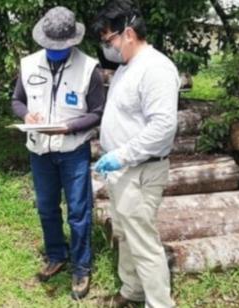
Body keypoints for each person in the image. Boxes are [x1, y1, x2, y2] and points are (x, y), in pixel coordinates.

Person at [11, 6, 106, 300]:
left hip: (73, 150)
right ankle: (56, 254)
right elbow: (16, 100)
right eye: (49, 47)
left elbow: (98, 111)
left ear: (72, 42)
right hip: (39, 151)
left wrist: (70, 127)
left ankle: (81, 266)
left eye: (60, 48)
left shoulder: (89, 68)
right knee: (46, 207)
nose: (54, 51)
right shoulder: (28, 65)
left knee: (79, 211)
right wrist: (27, 115)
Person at [92, 1, 180, 307]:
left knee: (143, 243)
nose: (107, 48)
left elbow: (163, 127)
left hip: (140, 170)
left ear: (127, 33)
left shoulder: (156, 68)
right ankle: (132, 290)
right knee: (125, 234)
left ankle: (160, 303)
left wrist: (123, 154)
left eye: (108, 41)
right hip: (122, 170)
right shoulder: (126, 68)